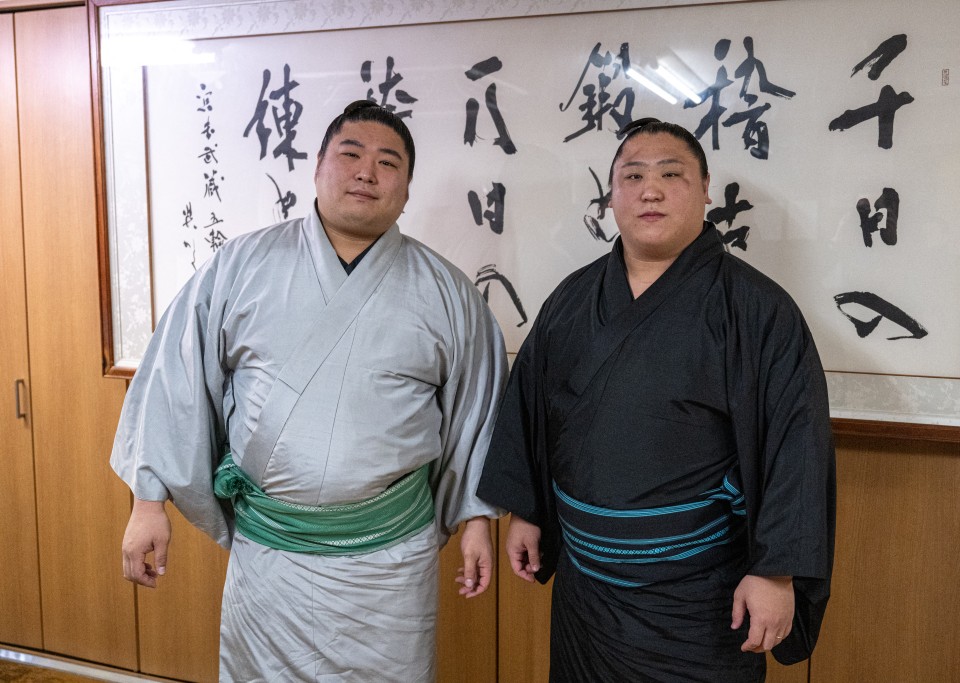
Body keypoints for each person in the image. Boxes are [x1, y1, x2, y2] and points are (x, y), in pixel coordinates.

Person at [112, 100, 508, 681]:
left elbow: (480, 410)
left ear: (406, 189)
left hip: (390, 563)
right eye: (350, 154)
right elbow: (173, 376)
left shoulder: (447, 291)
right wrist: (148, 501)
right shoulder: (240, 265)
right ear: (317, 166)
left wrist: (476, 519)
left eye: (388, 163)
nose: (367, 172)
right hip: (270, 558)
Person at [477, 117, 835, 683]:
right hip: (586, 593)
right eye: (633, 176)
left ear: (705, 189)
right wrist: (527, 511)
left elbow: (797, 447)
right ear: (611, 194)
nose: (650, 191)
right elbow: (532, 411)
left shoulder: (757, 310)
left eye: (671, 175)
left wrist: (777, 572)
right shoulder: (571, 299)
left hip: (698, 600)